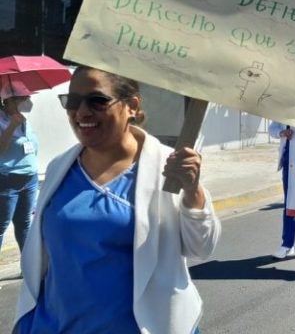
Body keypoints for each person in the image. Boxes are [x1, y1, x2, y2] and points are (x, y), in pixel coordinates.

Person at [14, 66, 221, 334]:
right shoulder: (58, 169)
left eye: (97, 100)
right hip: (54, 325)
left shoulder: (169, 169)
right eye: (73, 101)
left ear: (132, 105)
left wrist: (193, 191)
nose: (82, 111)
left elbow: (201, 247)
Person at [0, 82, 39, 255]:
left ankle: (28, 269)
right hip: (8, 179)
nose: (27, 101)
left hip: (30, 178)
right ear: (9, 100)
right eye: (24, 98)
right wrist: (11, 127)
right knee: (1, 226)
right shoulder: (5, 121)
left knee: (24, 225)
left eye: (28, 98)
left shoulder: (23, 120)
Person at [268, 120, 295, 259]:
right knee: (290, 203)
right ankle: (287, 244)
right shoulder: (287, 107)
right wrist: (282, 133)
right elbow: (272, 127)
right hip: (289, 160)